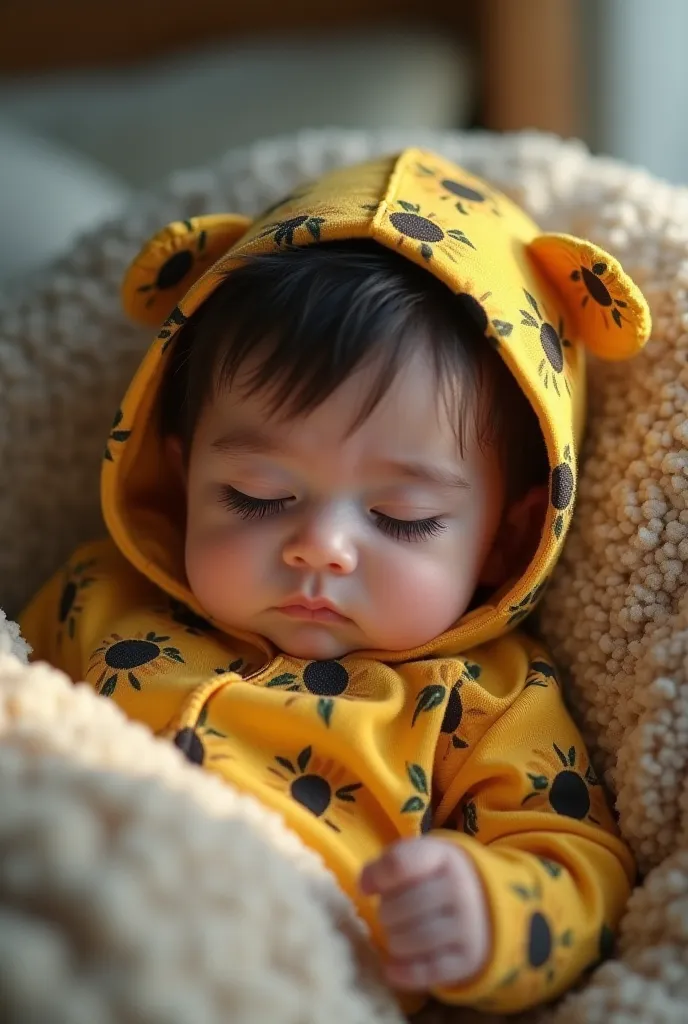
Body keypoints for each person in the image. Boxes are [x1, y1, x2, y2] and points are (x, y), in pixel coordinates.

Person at [21, 149, 652, 1014]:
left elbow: (575, 864)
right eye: (255, 497)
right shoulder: (96, 596)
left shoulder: (488, 703)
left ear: (508, 538)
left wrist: (485, 907)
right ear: (181, 470)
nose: (320, 548)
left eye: (400, 517)